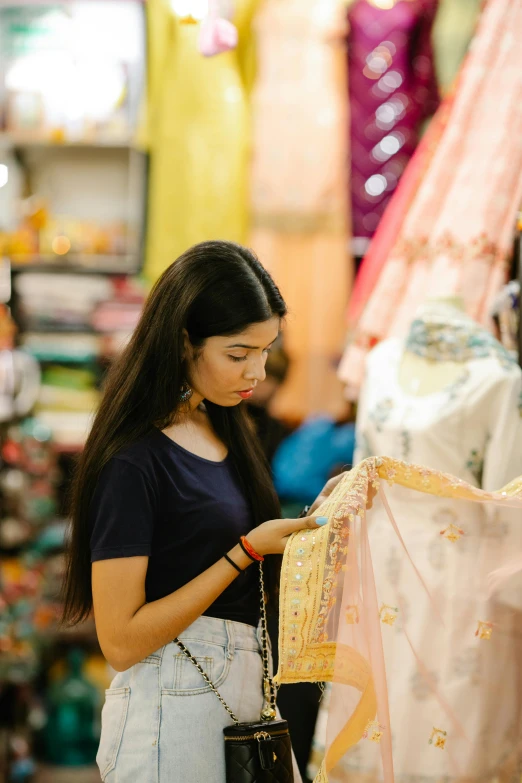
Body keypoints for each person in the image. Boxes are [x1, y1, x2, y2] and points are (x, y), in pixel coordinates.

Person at [60, 241, 339, 783]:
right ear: (185, 342)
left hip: (242, 693)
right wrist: (247, 550)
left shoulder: (225, 427)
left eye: (266, 350)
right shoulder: (135, 460)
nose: (256, 371)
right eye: (238, 355)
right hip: (173, 704)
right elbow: (120, 642)